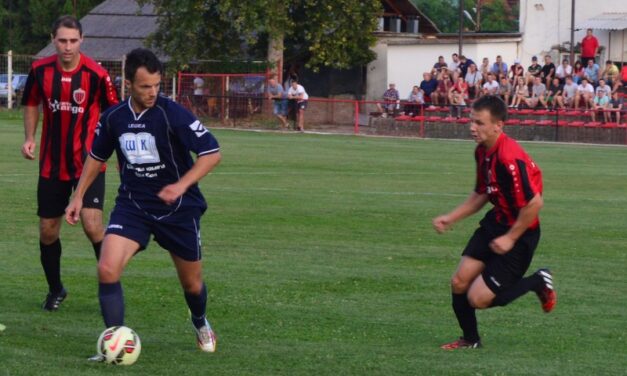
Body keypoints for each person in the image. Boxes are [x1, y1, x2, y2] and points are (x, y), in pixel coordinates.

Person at [65, 48, 222, 357]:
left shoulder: (171, 113)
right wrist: (79, 195)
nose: (152, 93)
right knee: (107, 268)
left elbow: (211, 153)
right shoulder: (114, 118)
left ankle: (200, 321)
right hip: (133, 206)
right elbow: (97, 158)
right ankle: (115, 342)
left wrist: (180, 185)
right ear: (128, 84)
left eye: (156, 85)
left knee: (192, 285)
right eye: (144, 87)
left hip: (178, 210)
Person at [432, 95, 556, 350]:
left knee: (478, 298)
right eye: (471, 121)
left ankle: (538, 281)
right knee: (459, 282)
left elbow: (534, 204)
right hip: (495, 223)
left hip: (521, 232)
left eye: (479, 123)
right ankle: (470, 339)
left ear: (498, 125)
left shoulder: (509, 158)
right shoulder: (482, 151)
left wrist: (510, 238)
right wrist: (451, 217)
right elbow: (482, 193)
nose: (472, 127)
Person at [20, 15, 118, 311]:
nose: (67, 46)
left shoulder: (97, 74)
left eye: (73, 40)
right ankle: (56, 289)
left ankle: (109, 289)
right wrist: (29, 137)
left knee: (92, 224)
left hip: (89, 162)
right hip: (52, 163)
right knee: (48, 230)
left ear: (82, 40)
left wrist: (119, 152)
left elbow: (115, 114)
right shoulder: (39, 70)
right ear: (53, 39)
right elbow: (31, 103)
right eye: (62, 40)